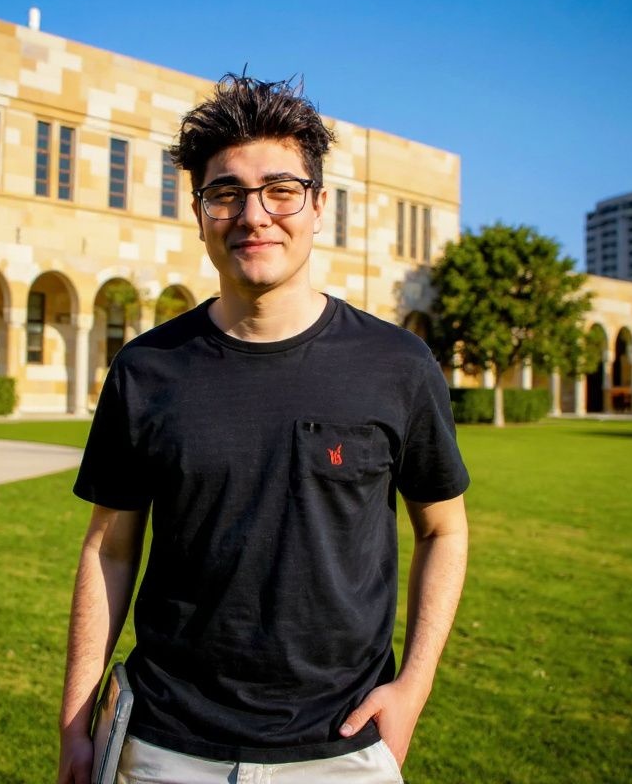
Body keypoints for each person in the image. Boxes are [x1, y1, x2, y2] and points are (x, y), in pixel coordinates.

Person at [58, 75, 470, 784]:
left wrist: (415, 685)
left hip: (342, 751)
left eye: (281, 190)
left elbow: (444, 531)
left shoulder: (397, 365)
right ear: (200, 214)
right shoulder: (147, 370)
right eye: (226, 193)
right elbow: (110, 550)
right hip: (164, 750)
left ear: (318, 207)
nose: (254, 216)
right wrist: (74, 719)